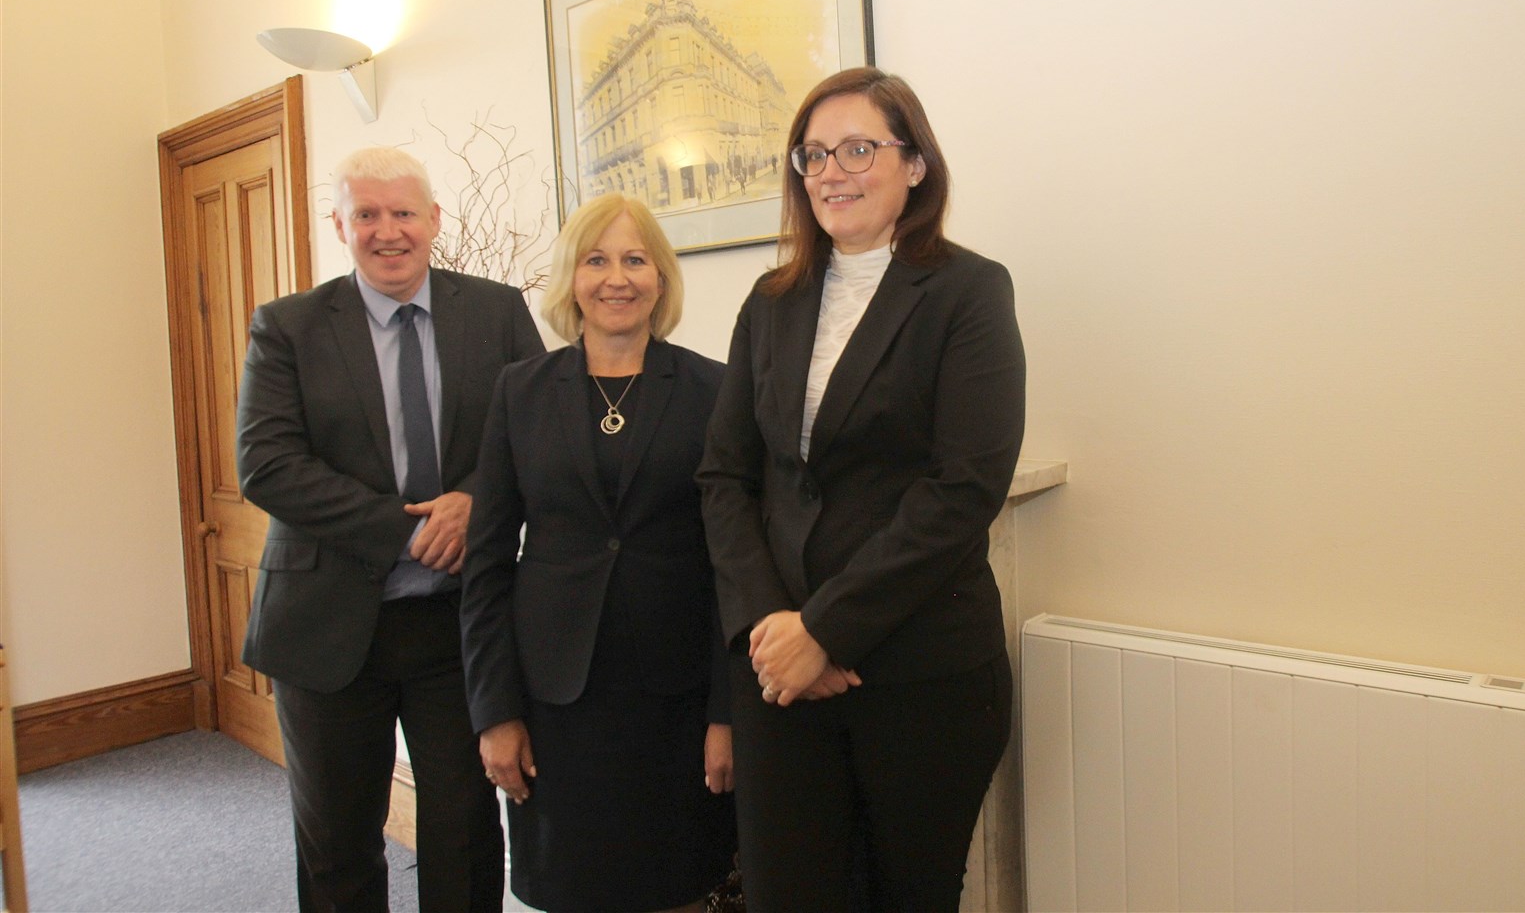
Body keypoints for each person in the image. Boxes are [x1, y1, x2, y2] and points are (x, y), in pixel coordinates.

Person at [698, 67, 1027, 910]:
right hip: (778, 675)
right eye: (813, 155)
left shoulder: (966, 291)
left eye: (858, 148)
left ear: (914, 164)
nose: (831, 171)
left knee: (906, 897)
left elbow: (964, 488)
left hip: (920, 673)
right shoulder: (769, 303)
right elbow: (726, 475)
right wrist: (774, 626)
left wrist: (827, 630)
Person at [237, 145, 543, 912]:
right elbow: (266, 466)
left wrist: (475, 501)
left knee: (467, 828)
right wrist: (403, 531)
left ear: (434, 220)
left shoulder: (497, 311)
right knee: (337, 841)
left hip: (457, 624)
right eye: (366, 214)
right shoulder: (289, 327)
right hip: (326, 625)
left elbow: (539, 437)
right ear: (339, 223)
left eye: (403, 212)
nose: (387, 230)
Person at [461, 193, 736, 912]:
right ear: (571, 279)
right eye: (597, 260)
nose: (617, 278)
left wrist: (726, 711)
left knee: (675, 886)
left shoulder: (713, 389)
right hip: (555, 705)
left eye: (635, 259)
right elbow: (487, 563)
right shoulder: (519, 392)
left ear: (661, 278)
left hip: (673, 701)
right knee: (571, 891)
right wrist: (494, 711)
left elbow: (732, 562)